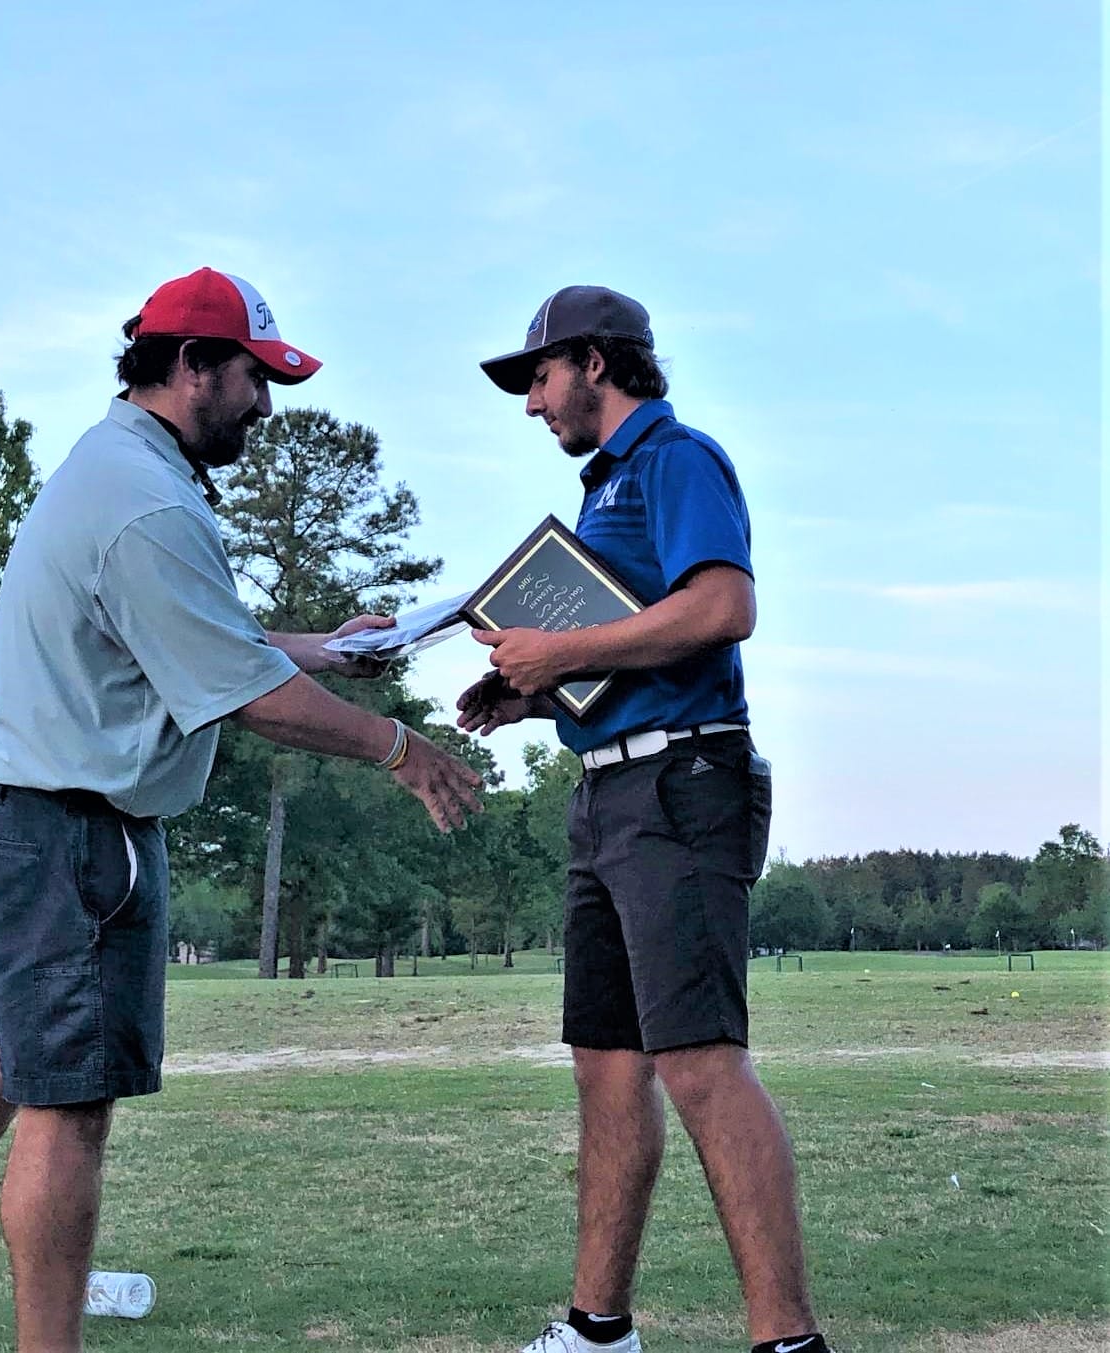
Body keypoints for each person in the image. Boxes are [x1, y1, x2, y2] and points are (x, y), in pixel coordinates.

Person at [0, 266, 483, 1353]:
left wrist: (329, 647)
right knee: (68, 1105)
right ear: (189, 370)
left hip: (37, 811)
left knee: (9, 1051)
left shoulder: (117, 468)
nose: (265, 405)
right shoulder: (147, 504)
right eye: (253, 380)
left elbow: (194, 640)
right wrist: (404, 751)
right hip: (69, 830)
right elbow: (251, 695)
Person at [459, 286, 830, 1353]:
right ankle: (597, 1330)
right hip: (606, 791)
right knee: (605, 1065)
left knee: (701, 1061)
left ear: (592, 361)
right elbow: (636, 643)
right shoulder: (602, 492)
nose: (531, 405)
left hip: (682, 785)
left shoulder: (678, 459)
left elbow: (722, 608)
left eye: (536, 378)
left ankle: (786, 1340)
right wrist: (532, 691)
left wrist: (561, 652)